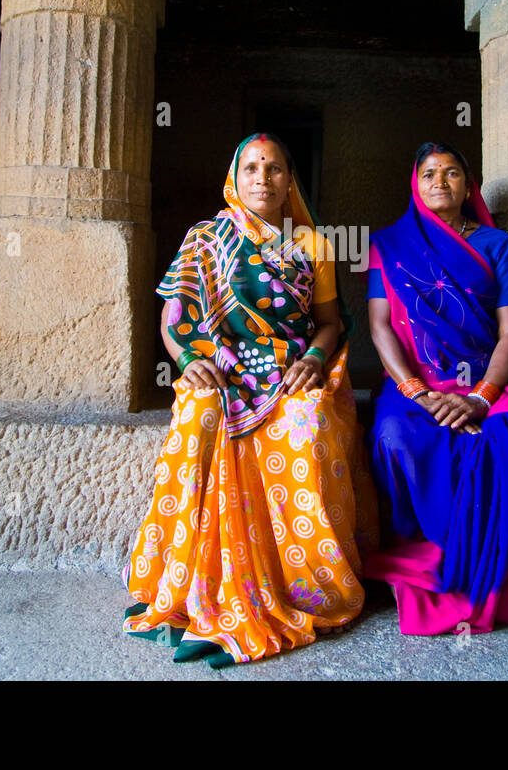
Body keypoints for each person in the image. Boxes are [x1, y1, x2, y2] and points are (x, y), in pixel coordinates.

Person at [123, 133, 378, 667]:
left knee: (306, 421)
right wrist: (185, 360)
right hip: (220, 369)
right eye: (252, 168)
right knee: (200, 417)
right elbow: (174, 322)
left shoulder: (313, 246)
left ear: (290, 181)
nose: (263, 178)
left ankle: (307, 587)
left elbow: (329, 324)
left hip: (288, 371)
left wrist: (313, 359)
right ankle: (193, 585)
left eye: (275, 168)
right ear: (234, 179)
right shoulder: (205, 239)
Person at [362, 142, 508, 635]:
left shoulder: (497, 246)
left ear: (468, 186)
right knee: (396, 439)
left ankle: (492, 573)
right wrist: (414, 390)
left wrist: (481, 396)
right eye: (429, 173)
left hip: (487, 385)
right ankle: (433, 558)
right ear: (415, 184)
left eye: (452, 174)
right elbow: (380, 325)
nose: (440, 182)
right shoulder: (388, 244)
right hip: (416, 386)